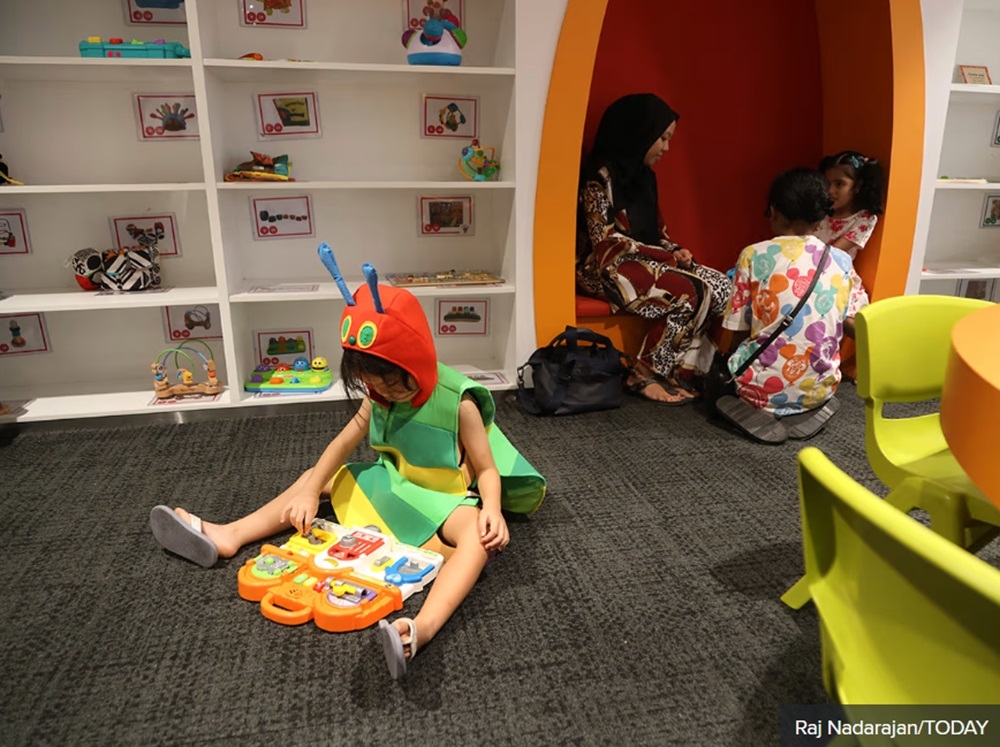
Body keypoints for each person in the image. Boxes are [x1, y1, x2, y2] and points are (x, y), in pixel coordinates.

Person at [149, 258, 547, 681]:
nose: (383, 395)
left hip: (444, 500)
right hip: (392, 486)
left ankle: (421, 630)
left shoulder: (460, 402)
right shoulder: (379, 394)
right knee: (313, 477)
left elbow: (486, 470)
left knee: (478, 541)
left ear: (417, 361)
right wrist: (310, 490)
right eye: (374, 385)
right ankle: (230, 534)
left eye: (392, 384)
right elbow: (341, 444)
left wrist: (493, 509)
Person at [576, 93, 733, 405]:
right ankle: (644, 373)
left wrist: (677, 250)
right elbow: (604, 242)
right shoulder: (599, 179)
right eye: (662, 138)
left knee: (722, 287)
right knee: (690, 291)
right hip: (602, 269)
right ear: (640, 134)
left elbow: (657, 234)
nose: (666, 148)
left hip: (648, 263)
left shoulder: (645, 178)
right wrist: (664, 256)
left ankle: (685, 371)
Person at [715, 167, 868, 444]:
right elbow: (841, 321)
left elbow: (736, 328)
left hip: (759, 390)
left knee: (718, 380)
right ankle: (806, 403)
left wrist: (729, 362)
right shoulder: (841, 261)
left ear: (774, 210)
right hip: (822, 388)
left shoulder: (753, 254)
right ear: (821, 216)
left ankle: (760, 403)